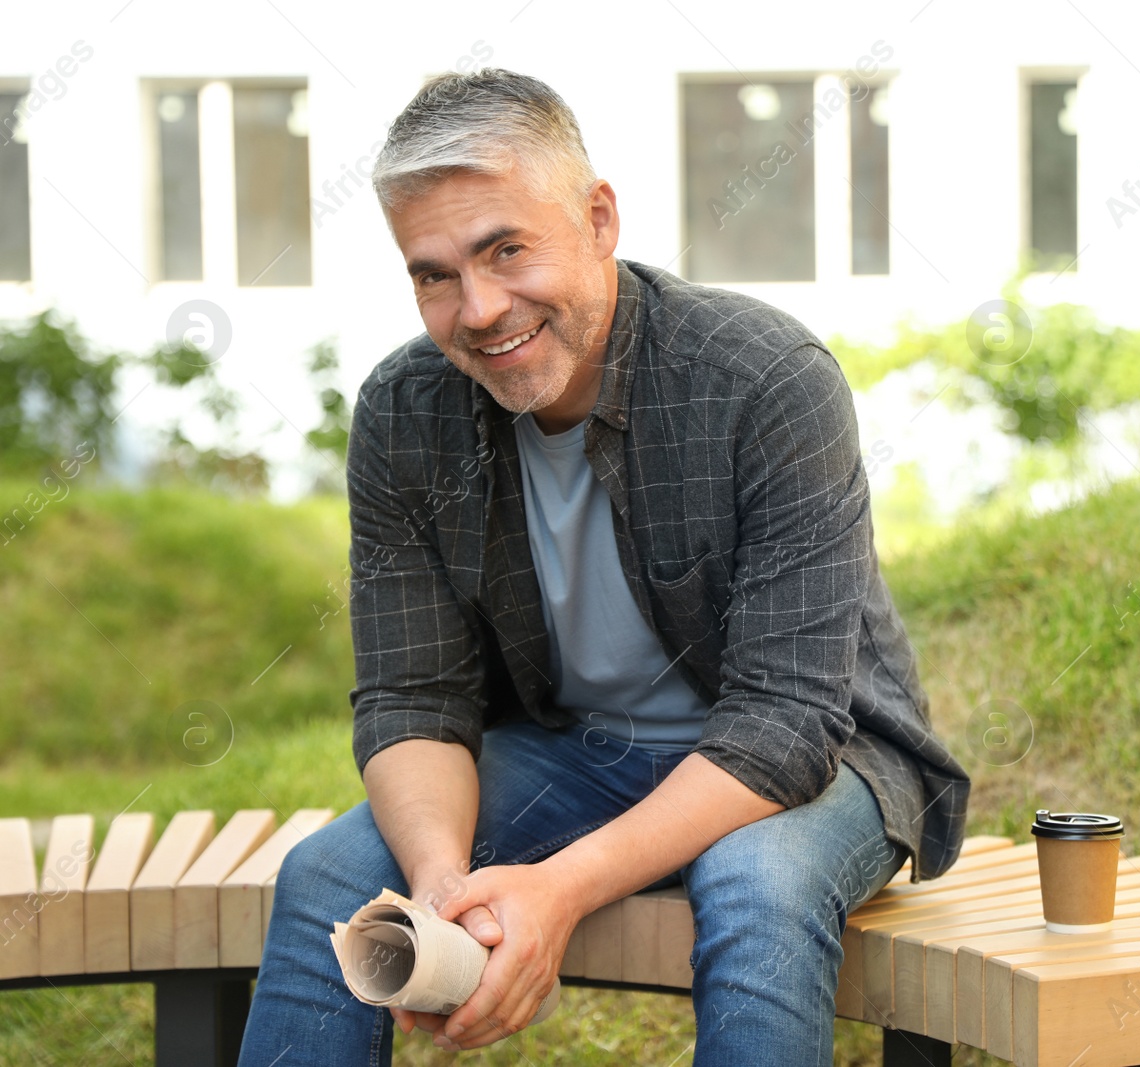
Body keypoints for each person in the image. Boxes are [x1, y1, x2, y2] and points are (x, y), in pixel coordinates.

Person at [238, 68, 969, 1066]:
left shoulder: (764, 380)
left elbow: (785, 726)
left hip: (823, 761)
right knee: (333, 872)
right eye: (434, 274)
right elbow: (414, 700)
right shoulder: (405, 413)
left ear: (597, 217)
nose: (480, 308)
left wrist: (560, 886)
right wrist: (445, 880)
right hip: (580, 751)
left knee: (757, 881)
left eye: (506, 249)